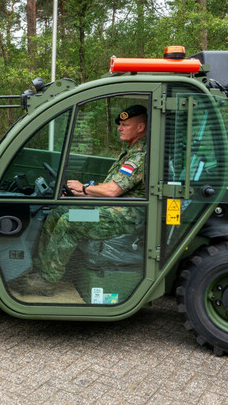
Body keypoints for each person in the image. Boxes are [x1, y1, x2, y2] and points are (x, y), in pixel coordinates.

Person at [12, 104, 148, 296]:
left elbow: (112, 191)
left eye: (125, 125)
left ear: (140, 128)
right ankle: (41, 270)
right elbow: (108, 190)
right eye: (120, 125)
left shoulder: (141, 155)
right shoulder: (130, 151)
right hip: (112, 210)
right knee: (57, 212)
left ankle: (47, 281)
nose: (119, 128)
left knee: (70, 220)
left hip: (125, 217)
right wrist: (78, 193)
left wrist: (84, 188)